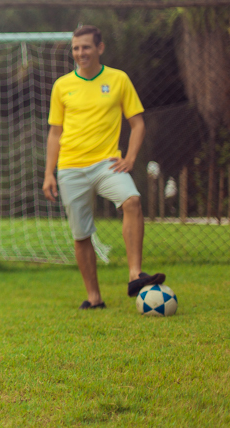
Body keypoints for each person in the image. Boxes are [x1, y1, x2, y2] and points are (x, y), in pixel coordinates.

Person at [42, 25, 165, 310]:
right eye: (76, 48)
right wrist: (49, 172)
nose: (80, 53)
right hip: (70, 168)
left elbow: (137, 123)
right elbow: (54, 133)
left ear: (100, 48)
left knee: (132, 201)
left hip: (107, 164)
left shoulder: (119, 79)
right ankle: (94, 298)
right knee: (81, 233)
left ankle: (135, 274)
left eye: (85, 47)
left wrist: (131, 158)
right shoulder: (62, 86)